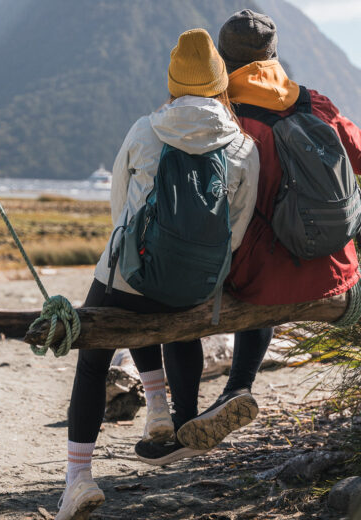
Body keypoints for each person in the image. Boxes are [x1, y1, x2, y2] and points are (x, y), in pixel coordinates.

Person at [142, 9, 361, 459]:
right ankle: (238, 386)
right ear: (274, 55)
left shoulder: (222, 113)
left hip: (258, 277)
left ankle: (184, 422)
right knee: (267, 257)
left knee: (179, 295)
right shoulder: (312, 102)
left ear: (222, 61)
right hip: (331, 269)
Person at [55, 28, 259, 520]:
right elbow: (236, 231)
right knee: (175, 318)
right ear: (220, 84)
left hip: (130, 283)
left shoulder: (144, 130)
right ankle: (164, 413)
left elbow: (118, 214)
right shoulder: (243, 146)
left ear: (173, 83)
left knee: (93, 360)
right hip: (195, 291)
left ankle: (79, 479)